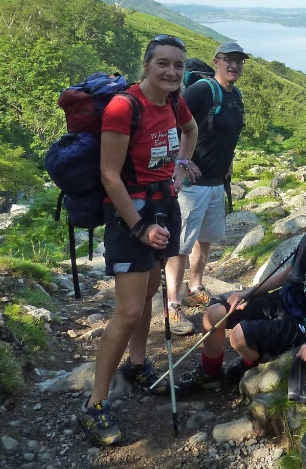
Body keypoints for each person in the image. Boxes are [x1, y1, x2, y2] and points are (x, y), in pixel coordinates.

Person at [80, 34, 201, 446]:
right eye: (163, 63)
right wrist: (138, 227)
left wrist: (180, 167)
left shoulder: (173, 100)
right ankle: (95, 402)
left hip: (164, 205)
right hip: (130, 215)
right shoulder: (123, 106)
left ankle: (136, 363)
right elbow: (109, 175)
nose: (171, 71)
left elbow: (190, 128)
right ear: (146, 65)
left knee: (152, 288)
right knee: (129, 310)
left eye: (178, 65)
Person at [173, 181, 306, 393]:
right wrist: (247, 292)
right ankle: (210, 373)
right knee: (214, 314)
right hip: (283, 300)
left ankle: (248, 365)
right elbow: (288, 274)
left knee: (238, 337)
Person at [165, 41, 247, 334]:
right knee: (180, 245)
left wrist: (229, 161)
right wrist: (178, 162)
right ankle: (172, 304)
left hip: (215, 183)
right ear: (216, 62)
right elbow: (169, 122)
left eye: (239, 61)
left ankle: (195, 286)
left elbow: (231, 134)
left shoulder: (235, 95)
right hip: (190, 185)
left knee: (205, 239)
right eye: (228, 60)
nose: (234, 65)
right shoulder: (201, 91)